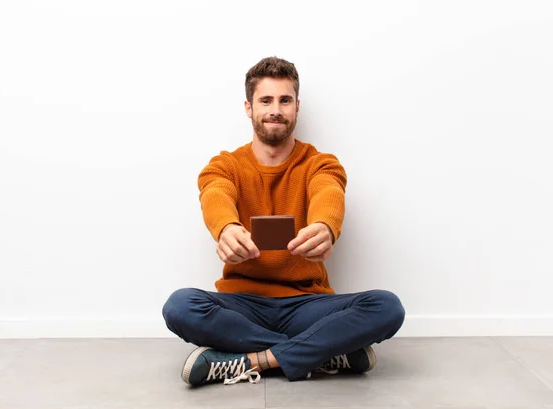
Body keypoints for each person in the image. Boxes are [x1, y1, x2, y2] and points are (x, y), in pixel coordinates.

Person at [162, 56, 405, 387]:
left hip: (306, 305)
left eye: (284, 100)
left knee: (387, 307)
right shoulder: (226, 164)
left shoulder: (320, 163)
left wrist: (324, 226)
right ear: (249, 107)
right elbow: (214, 192)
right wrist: (227, 227)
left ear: (296, 107)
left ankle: (249, 361)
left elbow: (328, 192)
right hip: (242, 304)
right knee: (180, 306)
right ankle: (322, 351)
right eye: (266, 100)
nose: (275, 109)